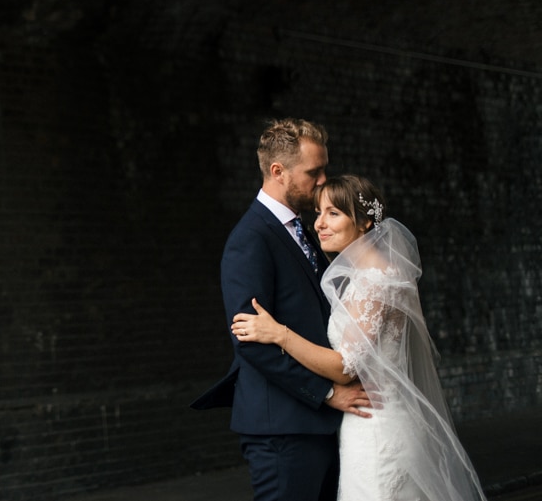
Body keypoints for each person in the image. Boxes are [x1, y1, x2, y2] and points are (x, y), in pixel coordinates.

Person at [232, 175, 487, 501]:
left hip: (377, 428)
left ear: (365, 222)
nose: (319, 223)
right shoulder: (366, 277)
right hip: (368, 422)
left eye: (333, 213)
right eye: (319, 212)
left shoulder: (376, 280)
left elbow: (345, 367)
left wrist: (278, 333)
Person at [192, 118, 369, 501]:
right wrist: (327, 393)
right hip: (284, 429)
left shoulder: (305, 229)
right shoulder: (250, 240)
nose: (323, 180)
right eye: (314, 172)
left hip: (320, 425)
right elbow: (251, 342)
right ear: (278, 171)